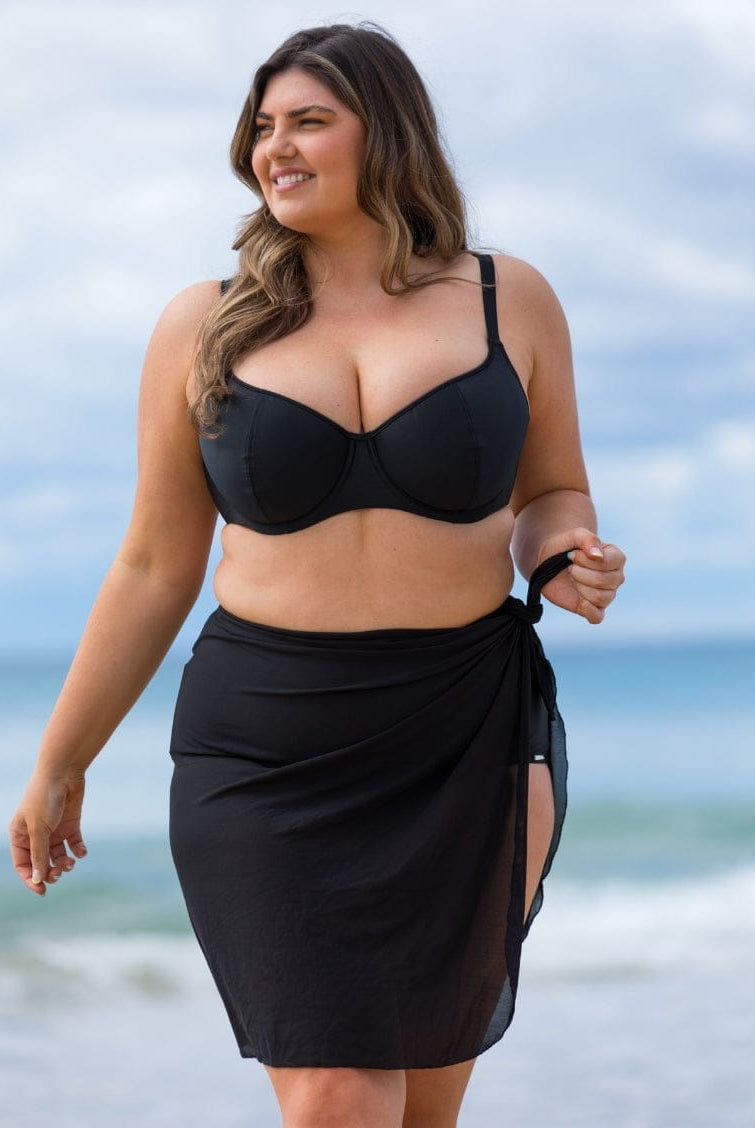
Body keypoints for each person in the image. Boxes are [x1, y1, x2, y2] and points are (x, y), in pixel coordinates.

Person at [9, 22, 625, 1128]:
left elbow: (550, 490)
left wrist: (560, 552)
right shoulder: (202, 326)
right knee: (339, 1098)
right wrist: (62, 758)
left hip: (465, 736)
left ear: (382, 135)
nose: (273, 149)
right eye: (261, 128)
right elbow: (154, 565)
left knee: (423, 1113)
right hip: (266, 750)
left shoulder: (506, 298)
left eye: (306, 122)